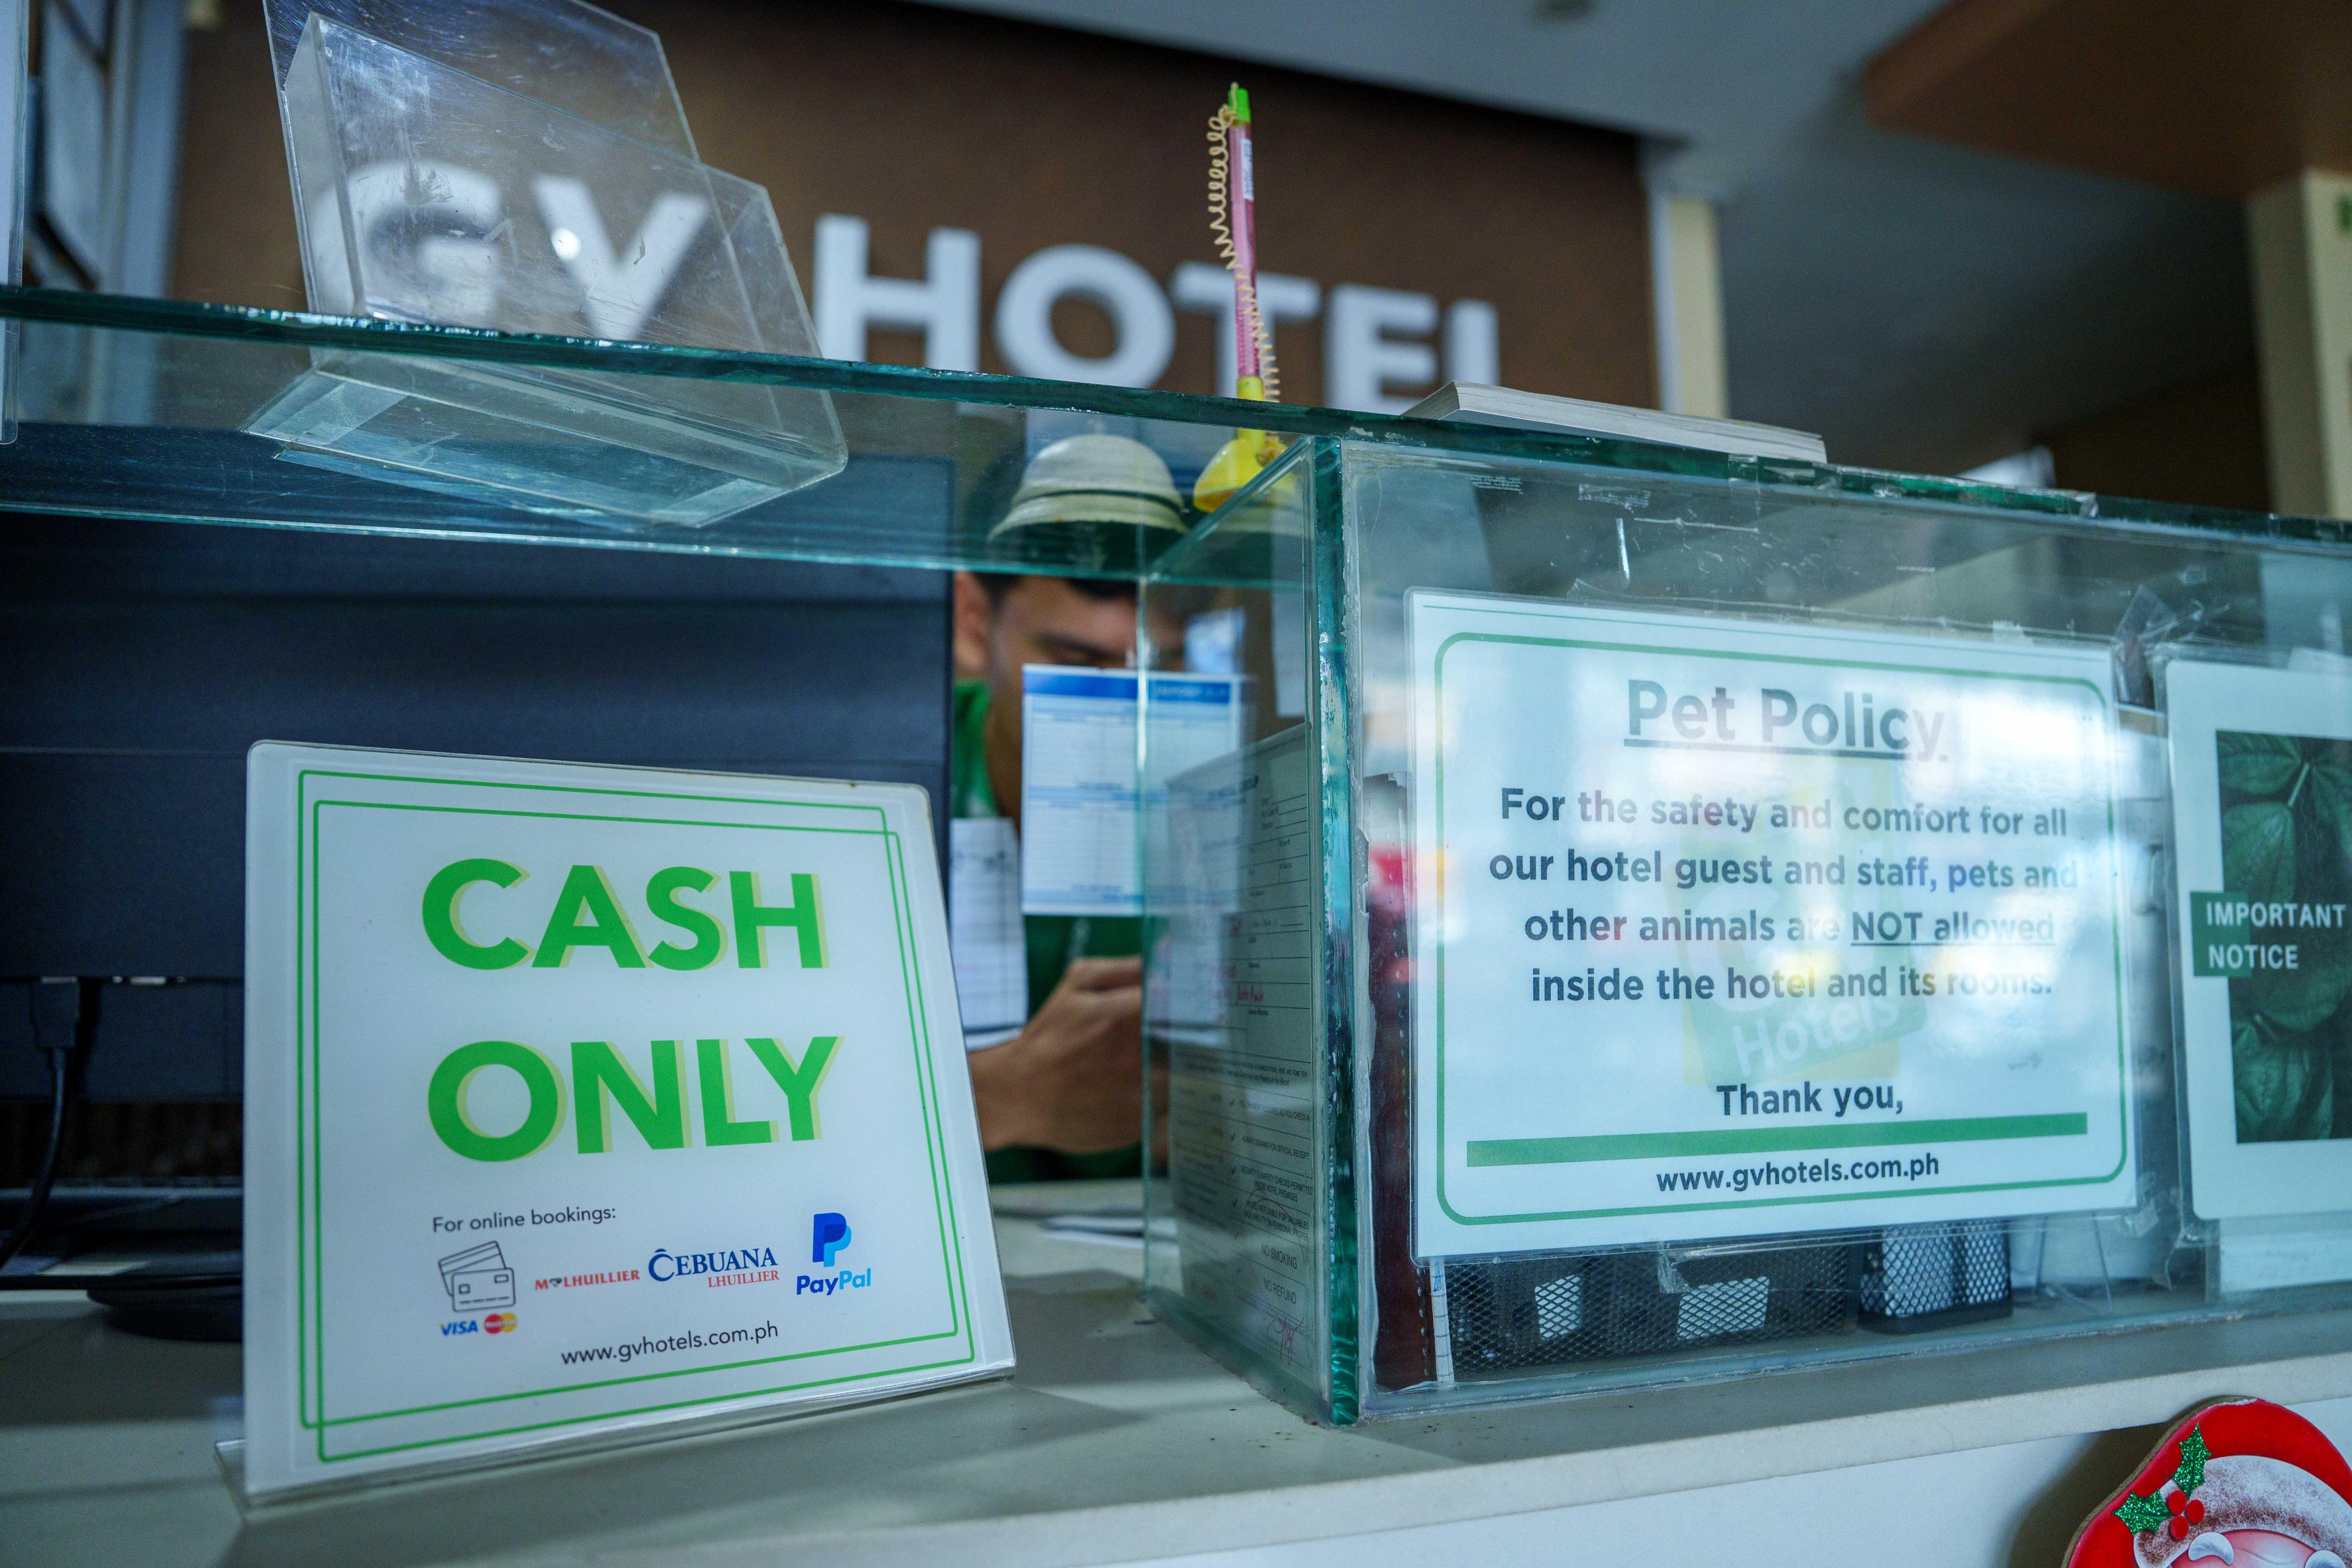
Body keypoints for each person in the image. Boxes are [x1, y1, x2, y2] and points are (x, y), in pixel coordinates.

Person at [951, 568, 1187, 1180]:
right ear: (974, 620)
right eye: (1077, 660)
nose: (1123, 709)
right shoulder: (885, 773)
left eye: (1159, 666)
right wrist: (1001, 1097)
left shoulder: (1207, 796)